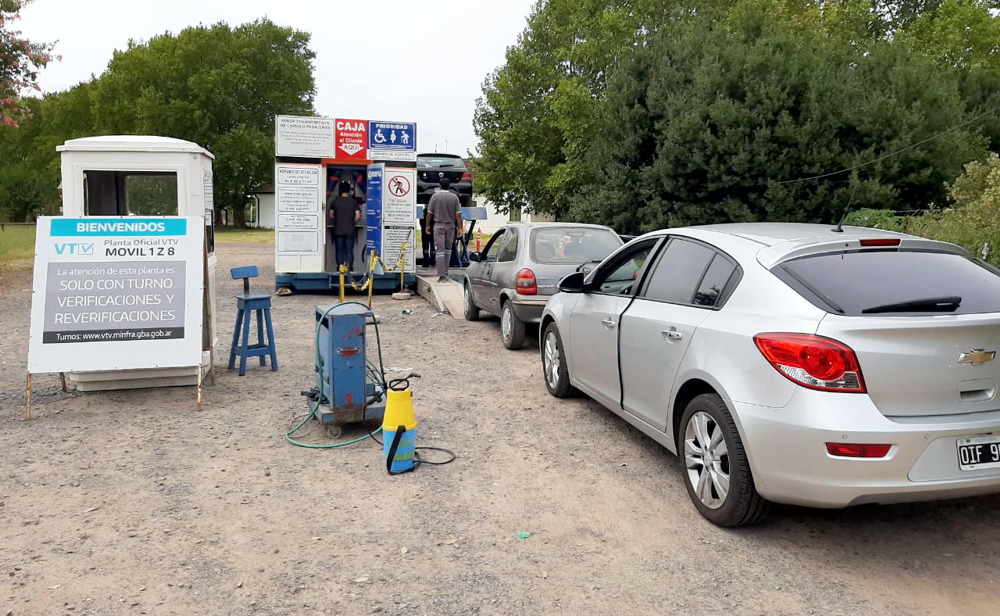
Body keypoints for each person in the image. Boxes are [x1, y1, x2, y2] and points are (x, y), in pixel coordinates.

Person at [426, 179, 463, 282]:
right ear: (449, 186)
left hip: (438, 225)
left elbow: (430, 213)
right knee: (448, 250)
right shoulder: (454, 197)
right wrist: (460, 227)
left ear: (440, 185)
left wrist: (427, 225)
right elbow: (458, 215)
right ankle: (446, 272)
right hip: (451, 226)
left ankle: (441, 274)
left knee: (440, 251)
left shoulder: (435, 197)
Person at [329, 181, 362, 271]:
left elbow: (331, 215)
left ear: (340, 190)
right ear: (349, 190)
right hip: (350, 229)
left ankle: (340, 268)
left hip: (338, 229)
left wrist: (338, 219)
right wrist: (352, 221)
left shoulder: (335, 202)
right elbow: (358, 216)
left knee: (339, 250)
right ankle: (349, 268)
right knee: (349, 249)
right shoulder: (353, 202)